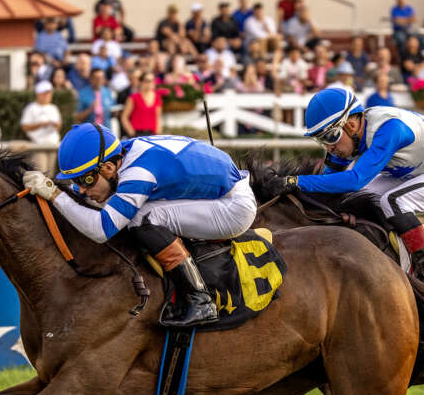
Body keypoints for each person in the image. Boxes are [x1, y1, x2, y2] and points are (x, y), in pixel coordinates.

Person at [22, 125, 258, 328]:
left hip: (234, 207)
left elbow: (101, 230)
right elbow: (88, 194)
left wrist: (54, 194)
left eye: (86, 180)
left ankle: (200, 300)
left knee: (142, 218)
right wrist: (58, 188)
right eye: (77, 181)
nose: (82, 189)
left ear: (108, 168)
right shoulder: (120, 154)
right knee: (134, 212)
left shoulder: (138, 173)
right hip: (222, 190)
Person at [265, 86, 424, 284]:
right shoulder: (349, 137)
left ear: (351, 125)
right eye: (321, 140)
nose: (328, 147)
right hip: (422, 169)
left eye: (330, 137)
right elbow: (330, 185)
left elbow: (355, 180)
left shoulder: (389, 129)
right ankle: (392, 257)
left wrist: (295, 181)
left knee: (394, 202)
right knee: (360, 198)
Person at [20, 81, 62, 172]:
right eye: (45, 94)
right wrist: (41, 124)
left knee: (50, 173)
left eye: (49, 93)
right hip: (38, 145)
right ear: (38, 94)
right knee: (41, 172)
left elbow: (59, 126)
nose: (48, 96)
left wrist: (54, 124)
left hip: (52, 144)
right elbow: (25, 126)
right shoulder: (31, 108)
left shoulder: (54, 108)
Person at [120, 72, 162, 138]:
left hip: (152, 134)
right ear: (141, 82)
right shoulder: (133, 98)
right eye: (148, 81)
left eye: (153, 80)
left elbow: (158, 117)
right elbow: (124, 117)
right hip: (137, 134)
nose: (151, 83)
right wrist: (131, 133)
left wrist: (158, 134)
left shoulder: (157, 97)